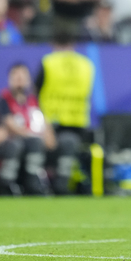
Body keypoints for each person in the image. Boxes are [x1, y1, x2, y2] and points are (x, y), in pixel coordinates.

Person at [36, 31, 95, 194]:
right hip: (79, 123)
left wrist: (43, 125)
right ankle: (63, 182)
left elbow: (35, 95)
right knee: (70, 148)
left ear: (53, 44)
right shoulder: (87, 65)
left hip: (51, 123)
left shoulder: (48, 62)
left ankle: (53, 185)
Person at [0, 63, 56, 195]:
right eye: (16, 75)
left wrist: (48, 136)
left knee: (54, 144)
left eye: (23, 75)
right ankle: (6, 183)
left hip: (34, 140)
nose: (20, 79)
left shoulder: (35, 100)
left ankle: (38, 180)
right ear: (9, 79)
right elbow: (9, 124)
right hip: (12, 141)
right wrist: (34, 136)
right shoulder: (3, 100)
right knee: (21, 144)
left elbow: (45, 122)